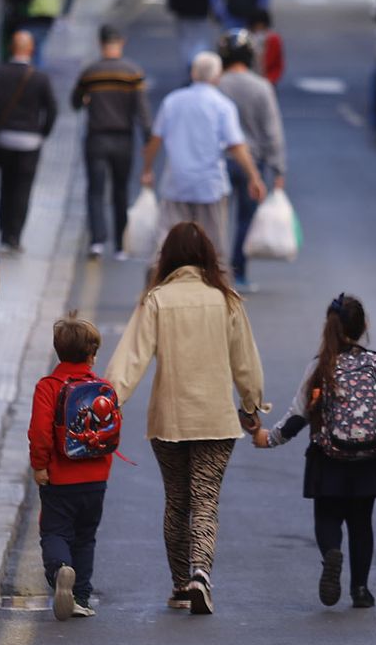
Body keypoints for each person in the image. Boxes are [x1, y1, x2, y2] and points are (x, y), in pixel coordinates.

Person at [103, 222, 266, 615]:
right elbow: (246, 365)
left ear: (168, 258)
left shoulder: (156, 300)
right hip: (215, 418)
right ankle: (200, 575)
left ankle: (179, 584)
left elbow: (131, 357)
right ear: (208, 256)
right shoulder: (227, 299)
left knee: (177, 501)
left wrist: (110, 400)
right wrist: (251, 407)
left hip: (169, 419)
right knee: (205, 499)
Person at [253, 295, 376, 609]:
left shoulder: (321, 365)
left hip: (329, 456)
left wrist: (267, 438)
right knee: (362, 523)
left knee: (327, 516)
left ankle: (331, 554)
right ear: (364, 325)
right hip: (371, 457)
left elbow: (298, 415)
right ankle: (361, 590)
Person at [139, 51, 267, 266]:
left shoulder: (173, 101)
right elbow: (236, 146)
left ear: (193, 73)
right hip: (210, 187)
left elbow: (155, 140)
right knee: (214, 251)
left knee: (166, 246)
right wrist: (254, 177)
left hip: (176, 184)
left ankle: (155, 293)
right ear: (218, 77)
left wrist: (147, 169)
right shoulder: (222, 106)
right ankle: (218, 296)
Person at [29, 313, 115, 621]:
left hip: (59, 477)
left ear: (57, 350)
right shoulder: (102, 387)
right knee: (86, 535)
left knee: (55, 531)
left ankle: (60, 570)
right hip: (95, 479)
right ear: (92, 355)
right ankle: (81, 596)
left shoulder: (48, 387)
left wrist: (40, 466)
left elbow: (40, 431)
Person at [0, 30, 57, 251]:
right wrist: (41, 133)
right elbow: (52, 109)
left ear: (11, 48)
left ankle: (4, 232)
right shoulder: (40, 78)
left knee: (6, 185)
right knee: (23, 189)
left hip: (4, 140)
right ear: (30, 49)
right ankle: (15, 236)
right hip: (30, 142)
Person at [71, 25, 152, 260]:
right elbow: (142, 110)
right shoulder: (133, 73)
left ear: (101, 43)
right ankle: (119, 245)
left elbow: (75, 102)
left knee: (95, 191)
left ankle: (97, 241)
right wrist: (147, 139)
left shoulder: (90, 73)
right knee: (120, 191)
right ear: (121, 42)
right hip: (123, 138)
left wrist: (87, 100)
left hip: (96, 138)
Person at [216, 30, 287, 290]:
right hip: (252, 164)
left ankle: (216, 272)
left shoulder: (216, 85)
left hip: (218, 161)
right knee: (245, 219)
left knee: (216, 220)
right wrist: (278, 167)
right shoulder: (261, 87)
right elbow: (272, 131)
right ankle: (239, 273)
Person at [248, 8, 285, 85]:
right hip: (250, 78)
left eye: (261, 26)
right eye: (257, 26)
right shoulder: (247, 37)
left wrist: (271, 79)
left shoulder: (273, 39)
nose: (259, 29)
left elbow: (278, 64)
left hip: (267, 79)